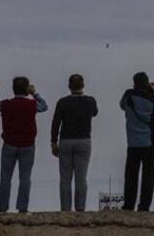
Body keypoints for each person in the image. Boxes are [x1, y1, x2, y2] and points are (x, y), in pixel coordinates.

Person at [0, 74, 48, 213]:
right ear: (26, 89)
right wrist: (35, 93)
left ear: (13, 89)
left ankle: (3, 208)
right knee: (25, 178)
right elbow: (44, 107)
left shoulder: (6, 104)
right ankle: (22, 208)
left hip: (9, 144)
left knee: (5, 178)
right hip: (27, 145)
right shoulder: (32, 104)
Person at [120, 71, 154, 211]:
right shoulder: (152, 98)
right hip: (149, 142)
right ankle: (144, 206)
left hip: (132, 143)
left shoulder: (128, 95)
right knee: (148, 175)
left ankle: (128, 205)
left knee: (131, 175)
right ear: (147, 83)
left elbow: (122, 105)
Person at [51, 73, 98, 211]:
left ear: (69, 86)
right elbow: (95, 113)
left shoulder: (62, 102)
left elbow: (56, 123)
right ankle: (80, 207)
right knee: (81, 177)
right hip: (84, 140)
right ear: (83, 85)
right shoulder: (90, 101)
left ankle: (65, 208)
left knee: (65, 178)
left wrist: (53, 142)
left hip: (66, 140)